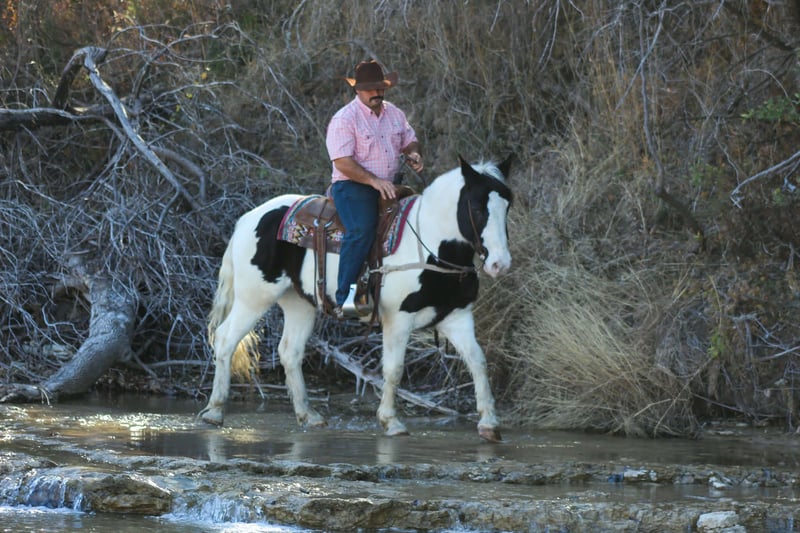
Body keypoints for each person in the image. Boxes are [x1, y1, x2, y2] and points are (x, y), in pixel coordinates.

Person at [326, 60, 424, 319]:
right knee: (361, 229)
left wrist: (413, 153)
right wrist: (374, 181)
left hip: (388, 184)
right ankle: (346, 299)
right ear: (357, 90)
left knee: (416, 219)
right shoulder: (345, 119)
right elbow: (342, 162)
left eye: (380, 88)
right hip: (352, 185)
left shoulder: (394, 114)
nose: (376, 93)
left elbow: (409, 140)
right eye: (370, 89)